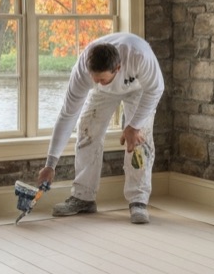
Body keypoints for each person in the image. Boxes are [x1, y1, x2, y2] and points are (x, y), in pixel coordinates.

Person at [37, 31, 164, 224]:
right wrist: (50, 164)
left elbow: (156, 89)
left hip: (139, 89)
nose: (97, 82)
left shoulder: (139, 56)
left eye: (102, 79)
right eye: (94, 79)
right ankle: (83, 197)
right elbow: (67, 116)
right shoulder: (83, 72)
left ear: (118, 68)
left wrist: (134, 126)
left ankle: (138, 201)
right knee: (87, 131)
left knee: (139, 140)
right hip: (104, 94)